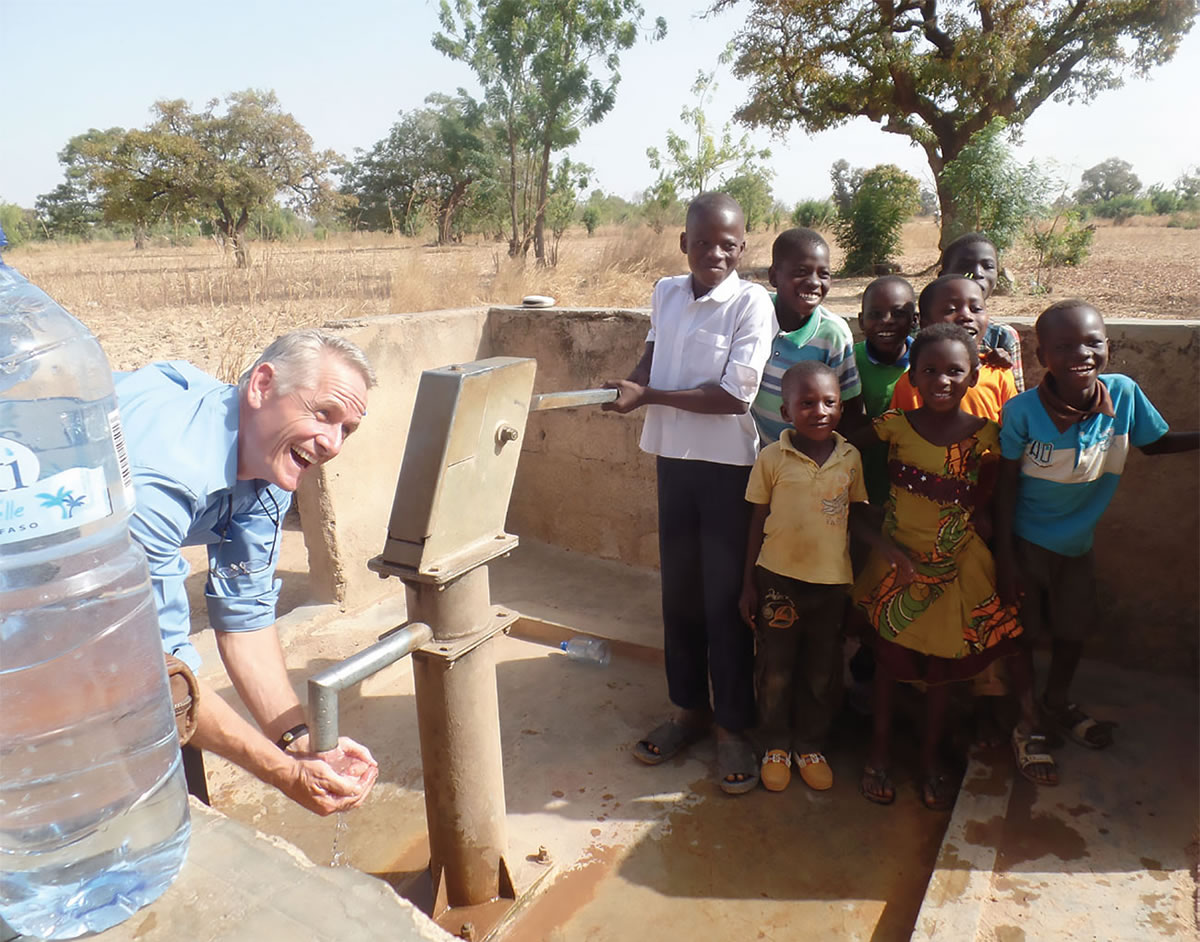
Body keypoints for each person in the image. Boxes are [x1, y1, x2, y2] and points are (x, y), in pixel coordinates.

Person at [114, 328, 380, 816]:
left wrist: (301, 742)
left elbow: (245, 615)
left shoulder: (269, 462)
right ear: (261, 385)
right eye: (324, 414)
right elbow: (160, 674)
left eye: (348, 429)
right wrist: (283, 775)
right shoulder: (157, 477)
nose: (334, 443)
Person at [603, 192, 775, 794]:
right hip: (672, 461)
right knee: (679, 594)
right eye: (703, 242)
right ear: (684, 243)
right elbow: (656, 350)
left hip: (727, 470)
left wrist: (649, 397)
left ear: (742, 247)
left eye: (728, 244)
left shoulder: (752, 304)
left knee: (726, 600)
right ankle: (688, 711)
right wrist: (636, 382)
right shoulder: (666, 292)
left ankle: (732, 725)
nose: (715, 253)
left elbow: (735, 397)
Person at [852, 324, 1052, 810]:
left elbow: (1000, 491)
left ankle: (928, 760)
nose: (942, 380)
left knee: (942, 675)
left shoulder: (987, 436)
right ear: (913, 378)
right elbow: (841, 450)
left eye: (954, 371)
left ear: (974, 376)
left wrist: (995, 540)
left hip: (955, 570)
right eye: (930, 370)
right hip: (896, 568)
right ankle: (878, 754)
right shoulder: (894, 424)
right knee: (887, 667)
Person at [995, 301, 1199, 749]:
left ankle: (1057, 701)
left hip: (1076, 546)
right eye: (1064, 346)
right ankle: (1027, 719)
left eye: (1091, 342)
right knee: (1022, 634)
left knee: (1073, 629)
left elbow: (1156, 444)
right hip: (1027, 543)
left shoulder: (1123, 394)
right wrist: (1005, 559)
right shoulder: (1021, 412)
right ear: (1041, 354)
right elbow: (1005, 487)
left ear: (1108, 345)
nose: (1080, 354)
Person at [739, 361, 868, 792]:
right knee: (775, 667)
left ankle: (810, 744)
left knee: (821, 669)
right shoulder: (772, 457)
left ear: (841, 406)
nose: (820, 410)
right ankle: (774, 743)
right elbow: (757, 519)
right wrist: (748, 584)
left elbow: (856, 519)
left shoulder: (850, 458)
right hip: (778, 580)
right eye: (807, 402)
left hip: (831, 585)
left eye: (830, 401)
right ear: (786, 410)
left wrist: (859, 587)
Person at [750, 228, 864, 446]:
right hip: (755, 455)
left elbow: (850, 409)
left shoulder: (833, 335)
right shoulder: (754, 313)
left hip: (805, 459)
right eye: (801, 272)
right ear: (773, 276)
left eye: (824, 274)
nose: (813, 282)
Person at [889, 275, 1017, 422]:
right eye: (951, 310)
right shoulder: (911, 383)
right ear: (925, 324)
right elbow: (899, 436)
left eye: (976, 309)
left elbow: (1014, 434)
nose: (967, 316)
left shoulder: (999, 375)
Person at [854, 275, 917, 506]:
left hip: (914, 484)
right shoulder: (850, 360)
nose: (887, 321)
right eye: (875, 314)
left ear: (914, 320)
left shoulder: (927, 363)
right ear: (861, 321)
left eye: (898, 313)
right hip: (863, 479)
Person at [939, 232, 1025, 392]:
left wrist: (1002, 368)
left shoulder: (1003, 336)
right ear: (943, 275)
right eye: (965, 265)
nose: (977, 273)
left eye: (988, 266)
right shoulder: (920, 329)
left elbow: (1015, 400)